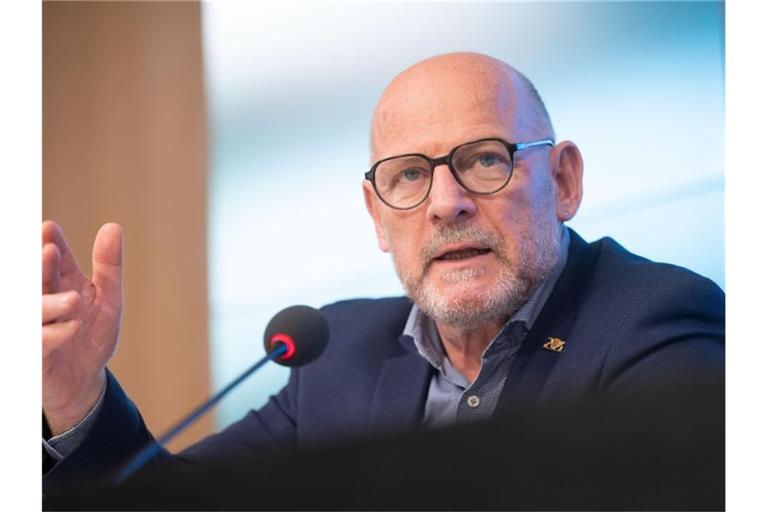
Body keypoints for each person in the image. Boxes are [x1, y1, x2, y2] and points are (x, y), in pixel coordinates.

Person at [42, 52, 724, 489]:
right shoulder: (335, 356)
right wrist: (77, 399)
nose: (446, 204)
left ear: (564, 180)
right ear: (376, 215)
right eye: (408, 176)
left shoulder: (656, 320)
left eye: (485, 159)